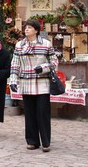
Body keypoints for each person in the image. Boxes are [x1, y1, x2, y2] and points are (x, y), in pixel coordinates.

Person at [9, 20, 58, 152]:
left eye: (30, 28)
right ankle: (32, 141)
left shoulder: (46, 44)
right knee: (29, 113)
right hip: (26, 83)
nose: (26, 30)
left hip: (42, 83)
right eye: (26, 27)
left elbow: (54, 61)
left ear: (36, 30)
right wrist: (13, 80)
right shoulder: (19, 45)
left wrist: (43, 68)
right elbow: (15, 64)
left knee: (43, 113)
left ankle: (46, 142)